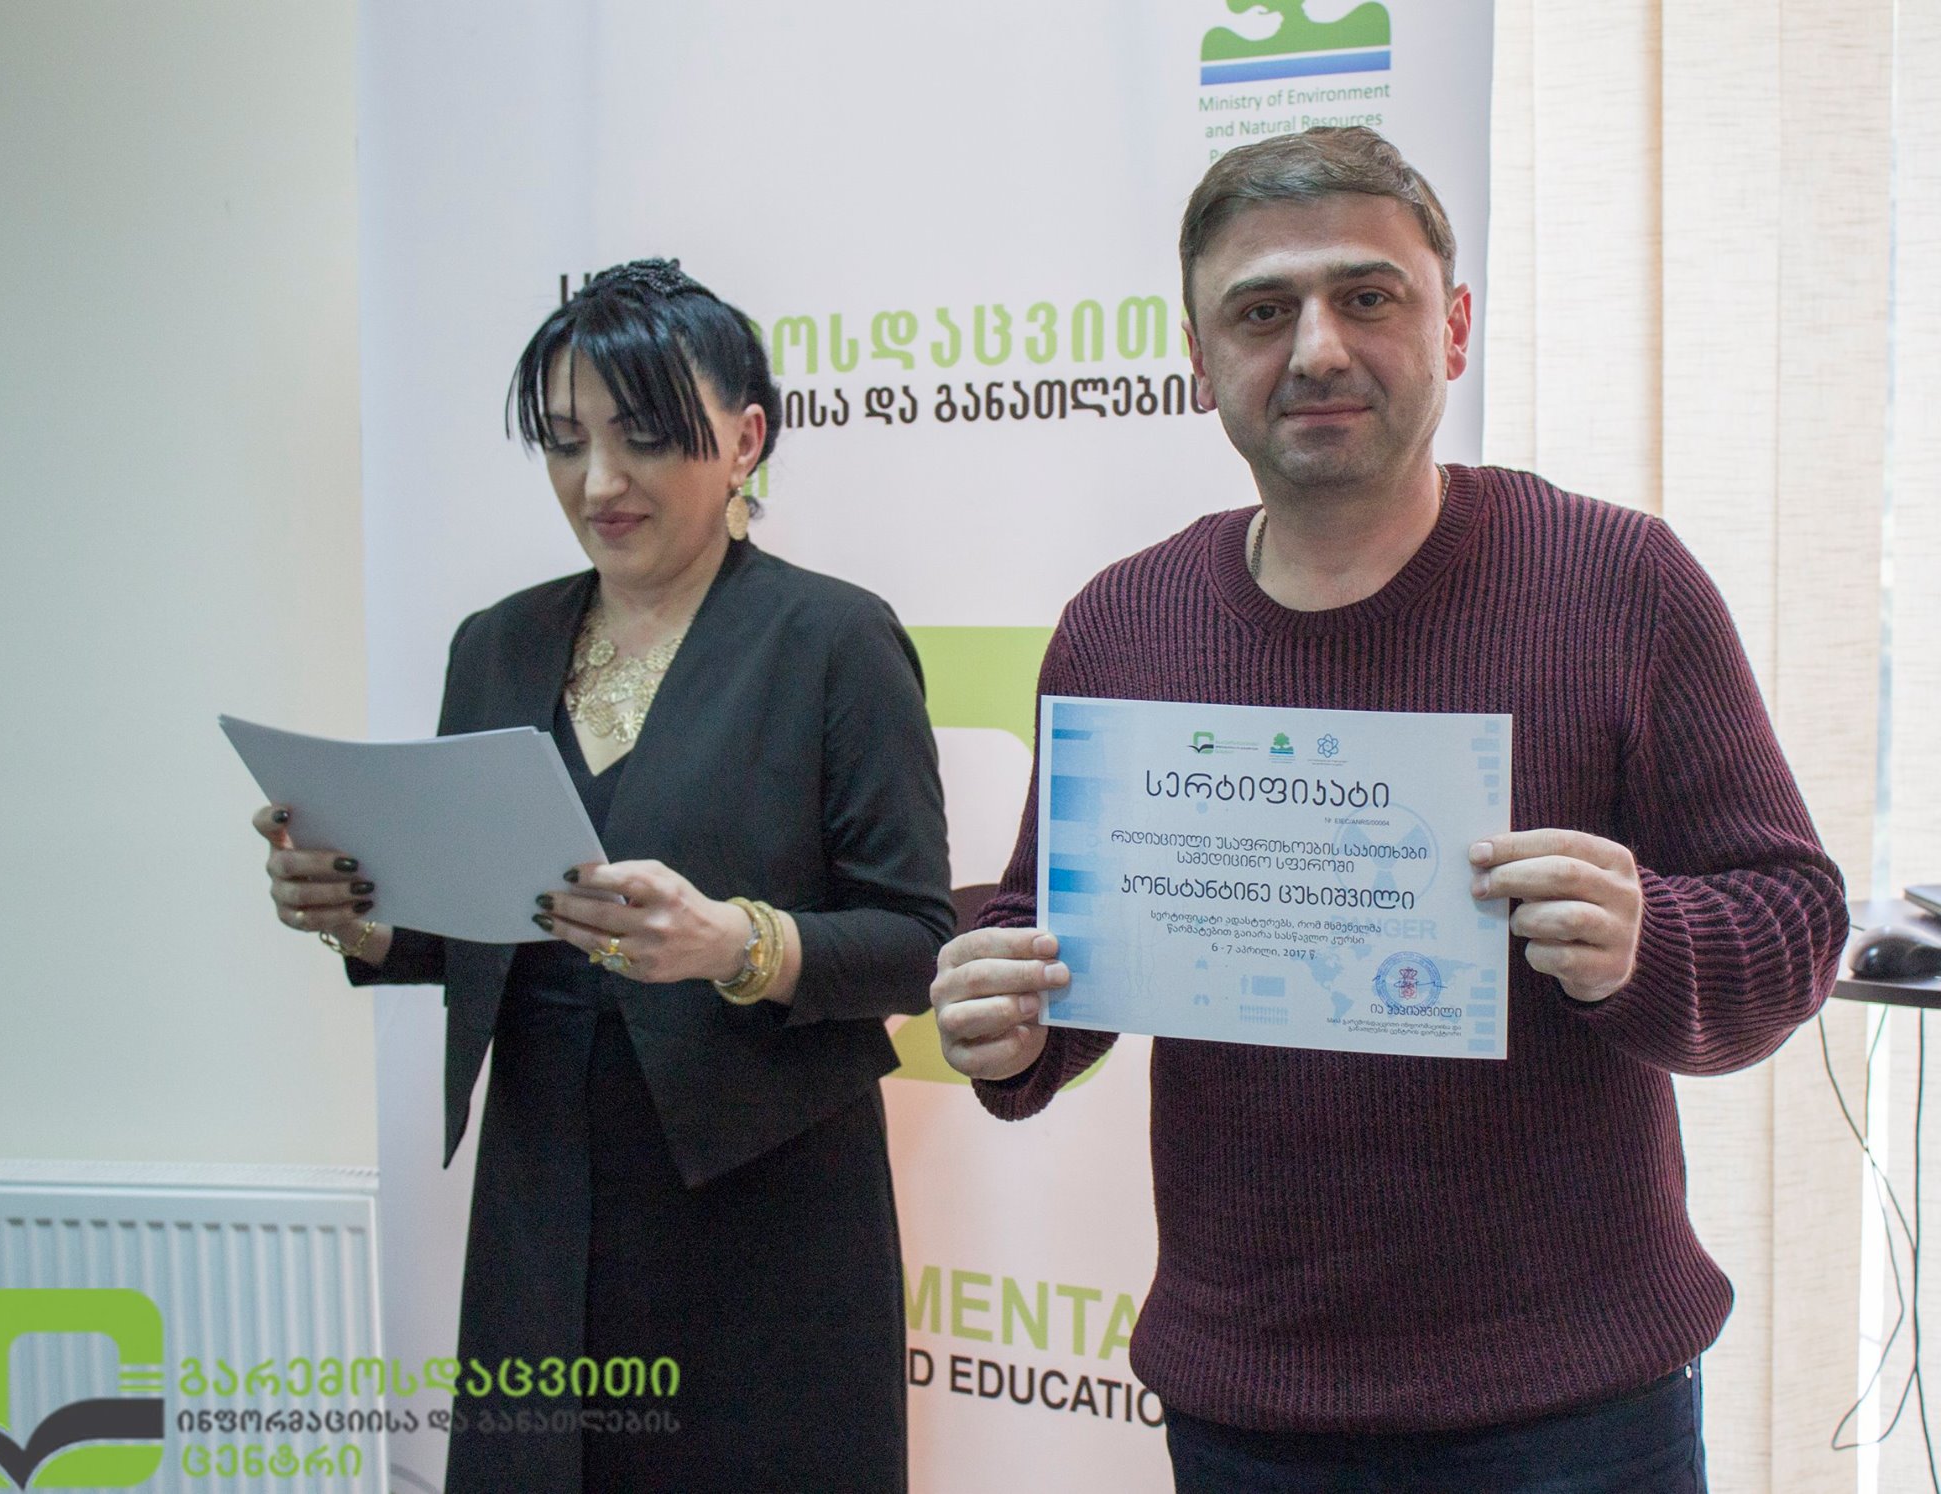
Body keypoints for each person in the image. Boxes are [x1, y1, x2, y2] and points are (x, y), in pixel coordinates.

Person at [929, 128, 1847, 1492]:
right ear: (1197, 359)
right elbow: (1053, 939)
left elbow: (1794, 916)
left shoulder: (1620, 582)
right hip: (1249, 1403)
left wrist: (1645, 940)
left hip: (1574, 1409)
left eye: (1366, 296)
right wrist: (1007, 1021)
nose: (1316, 349)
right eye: (1261, 311)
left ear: (1452, 326)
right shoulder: (1124, 622)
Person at [252, 259, 953, 1493]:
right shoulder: (497, 643)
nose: (598, 484)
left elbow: (913, 940)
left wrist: (738, 943)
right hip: (540, 1188)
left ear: (744, 441)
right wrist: (362, 917)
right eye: (565, 442)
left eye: (645, 438)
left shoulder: (832, 639)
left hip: (762, 1209)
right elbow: (482, 915)